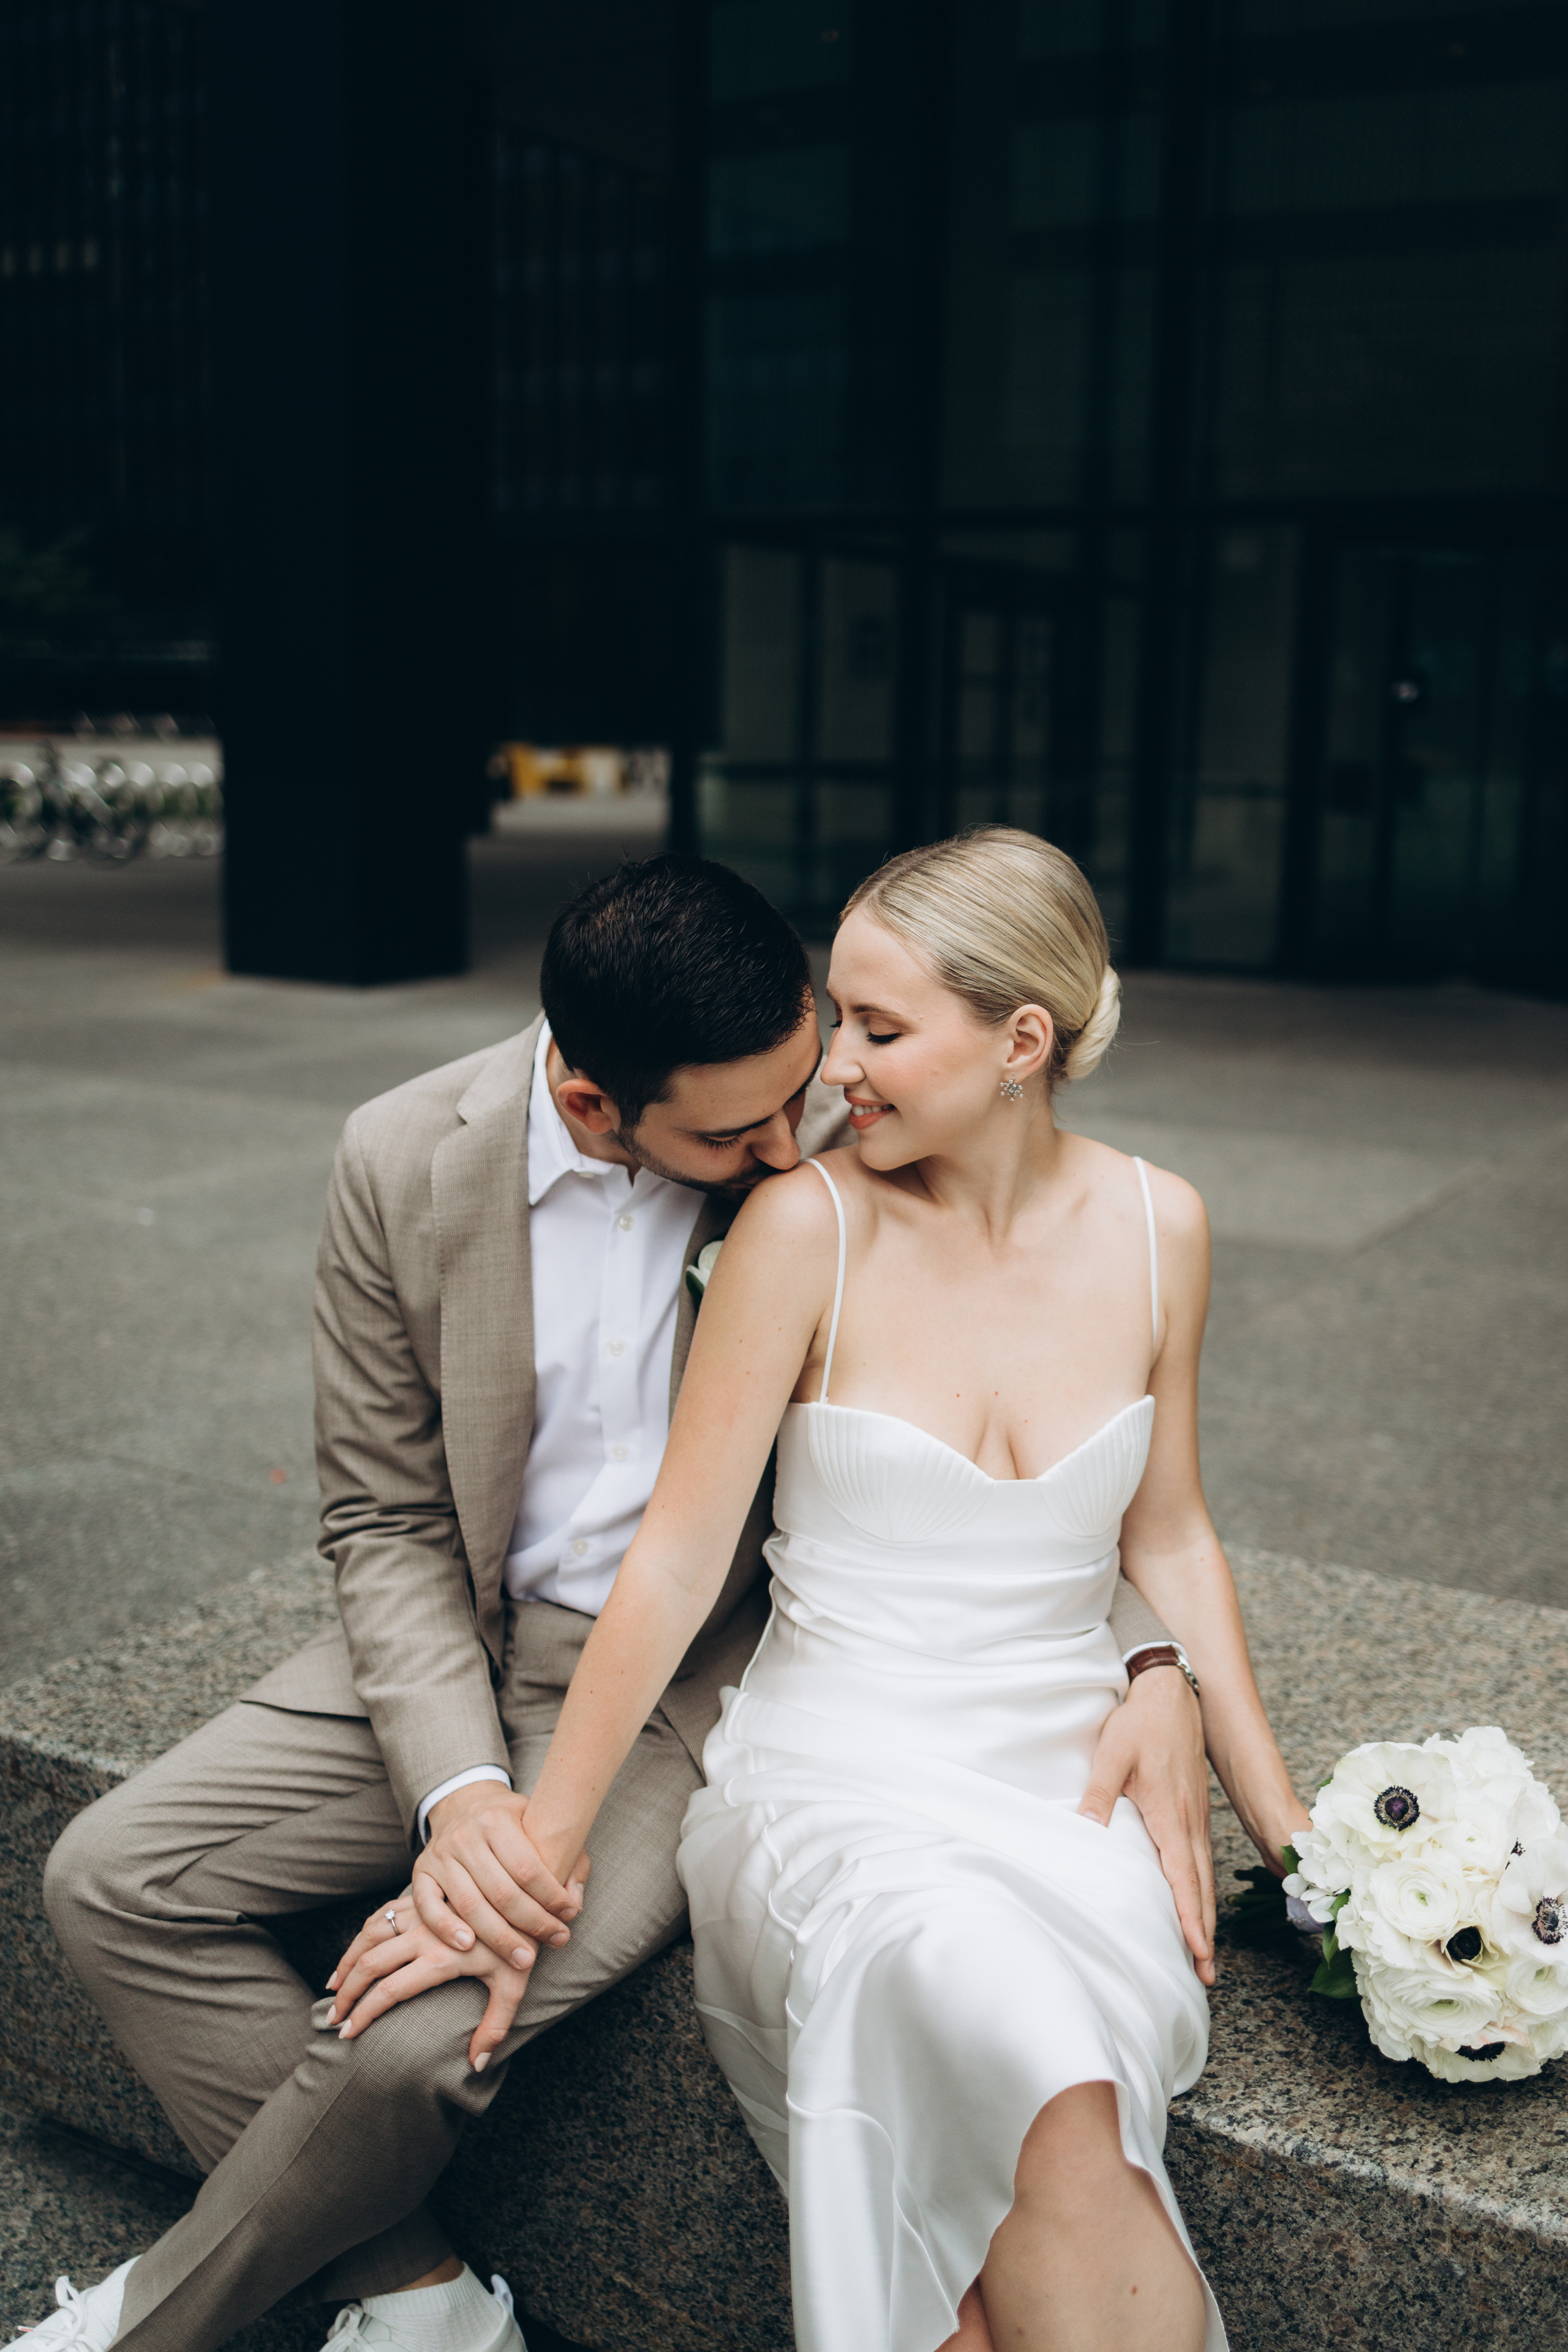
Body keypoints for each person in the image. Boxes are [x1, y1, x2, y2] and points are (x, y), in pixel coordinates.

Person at [20, 853, 1202, 2352]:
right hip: (461, 1641)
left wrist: (1149, 1654)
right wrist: (459, 1796)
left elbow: (1040, 1394)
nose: (797, 1140)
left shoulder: (853, 1120)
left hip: (685, 1685)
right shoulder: (401, 1157)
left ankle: (146, 2327)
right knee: (108, 1878)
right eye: (738, 1128)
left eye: (807, 1082)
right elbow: (380, 1517)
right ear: (592, 1105)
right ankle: (418, 2293)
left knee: (421, 2042)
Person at [332, 830, 1311, 2352]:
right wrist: (540, 1845)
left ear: (1020, 1043)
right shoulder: (807, 1226)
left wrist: (1299, 1849)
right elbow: (669, 1555)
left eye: (875, 1027)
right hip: (834, 1775)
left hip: (1061, 1792)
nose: (829, 1076)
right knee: (972, 1992)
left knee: (1056, 2106)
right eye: (835, 1018)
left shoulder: (1158, 1225)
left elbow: (1170, 1537)